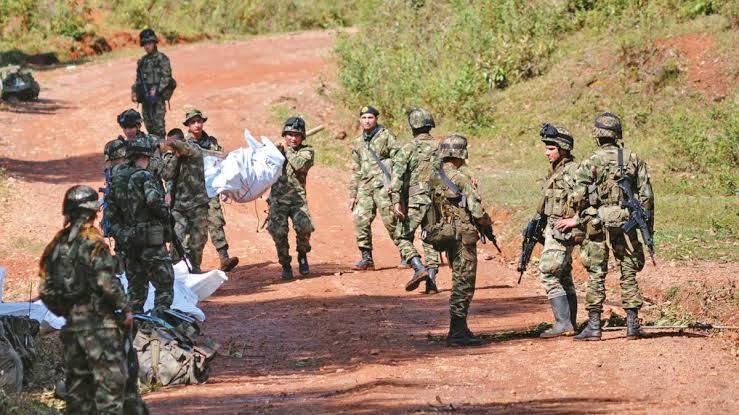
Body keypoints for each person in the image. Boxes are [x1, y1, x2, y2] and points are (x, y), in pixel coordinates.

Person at [39, 185, 148, 414]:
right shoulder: (93, 242)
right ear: (93, 212)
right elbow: (106, 281)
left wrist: (68, 311)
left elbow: (45, 289)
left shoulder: (56, 245)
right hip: (101, 329)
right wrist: (125, 309)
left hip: (72, 330)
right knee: (110, 395)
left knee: (79, 399)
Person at [566, 112, 654, 341]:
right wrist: (647, 229)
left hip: (598, 221)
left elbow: (576, 197)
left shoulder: (589, 161)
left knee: (596, 272)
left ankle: (594, 326)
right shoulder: (633, 158)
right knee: (628, 272)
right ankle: (633, 324)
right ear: (617, 135)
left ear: (597, 136)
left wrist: (583, 215)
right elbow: (647, 197)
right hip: (626, 220)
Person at [431, 134, 492, 347]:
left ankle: (460, 328)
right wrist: (487, 223)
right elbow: (477, 210)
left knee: (458, 277)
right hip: (463, 236)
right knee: (463, 281)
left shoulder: (434, 177)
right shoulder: (460, 179)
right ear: (461, 154)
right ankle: (457, 330)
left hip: (445, 234)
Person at [106, 139, 174, 313]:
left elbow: (110, 215)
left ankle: (133, 328)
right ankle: (161, 324)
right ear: (145, 157)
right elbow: (153, 201)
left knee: (135, 290)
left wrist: (122, 233)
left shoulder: (116, 179)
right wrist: (165, 211)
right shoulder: (145, 176)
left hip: (128, 242)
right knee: (164, 285)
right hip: (150, 240)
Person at [535, 124, 583, 338]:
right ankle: (569, 323)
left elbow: (592, 201)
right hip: (554, 230)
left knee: (548, 271)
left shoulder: (572, 171)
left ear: (563, 149)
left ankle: (563, 323)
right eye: (546, 148)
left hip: (562, 231)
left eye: (551, 148)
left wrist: (575, 220)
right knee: (563, 275)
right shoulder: (557, 170)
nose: (546, 152)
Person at [390, 107, 441, 294]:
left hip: (417, 199)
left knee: (402, 236)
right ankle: (432, 282)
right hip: (438, 201)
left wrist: (396, 200)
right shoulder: (441, 147)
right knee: (431, 239)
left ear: (412, 126)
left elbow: (397, 177)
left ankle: (419, 268)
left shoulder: (408, 148)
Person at [348, 105, 403, 270]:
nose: (367, 121)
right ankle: (367, 258)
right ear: (360, 120)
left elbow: (399, 159)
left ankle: (407, 254)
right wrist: (352, 194)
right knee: (360, 219)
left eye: (370, 117)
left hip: (383, 186)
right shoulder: (358, 142)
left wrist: (395, 184)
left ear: (376, 119)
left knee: (391, 221)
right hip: (365, 186)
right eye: (364, 118)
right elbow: (355, 169)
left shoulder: (386, 136)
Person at [184, 109, 239, 272]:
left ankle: (224, 258)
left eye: (199, 121)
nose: (197, 125)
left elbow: (221, 163)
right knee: (195, 228)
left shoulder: (212, 142)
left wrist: (224, 186)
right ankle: (193, 266)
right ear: (188, 125)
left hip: (212, 188)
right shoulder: (185, 144)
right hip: (193, 191)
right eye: (193, 122)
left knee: (216, 221)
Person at [267, 116, 315, 280]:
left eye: (296, 135)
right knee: (278, 233)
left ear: (302, 137)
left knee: (304, 228)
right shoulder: (275, 151)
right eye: (289, 135)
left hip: (297, 200)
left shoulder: (307, 151)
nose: (293, 138)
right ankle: (286, 264)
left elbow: (299, 165)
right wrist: (271, 151)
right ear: (284, 135)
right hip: (277, 200)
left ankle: (302, 255)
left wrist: (286, 150)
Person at [160, 127, 210, 273]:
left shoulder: (193, 148)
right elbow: (167, 175)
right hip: (178, 206)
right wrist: (175, 156)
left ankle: (195, 268)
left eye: (173, 142)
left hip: (197, 203)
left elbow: (184, 148)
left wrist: (167, 143)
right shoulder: (170, 157)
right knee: (177, 240)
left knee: (198, 239)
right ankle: (177, 270)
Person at [131, 28, 172, 138]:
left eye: (149, 43)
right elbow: (138, 80)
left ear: (154, 43)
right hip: (145, 98)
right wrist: (134, 91)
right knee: (148, 126)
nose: (147, 46)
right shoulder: (142, 61)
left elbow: (166, 77)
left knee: (159, 127)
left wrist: (157, 90)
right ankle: (154, 152)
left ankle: (162, 151)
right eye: (145, 44)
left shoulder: (162, 59)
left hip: (158, 98)